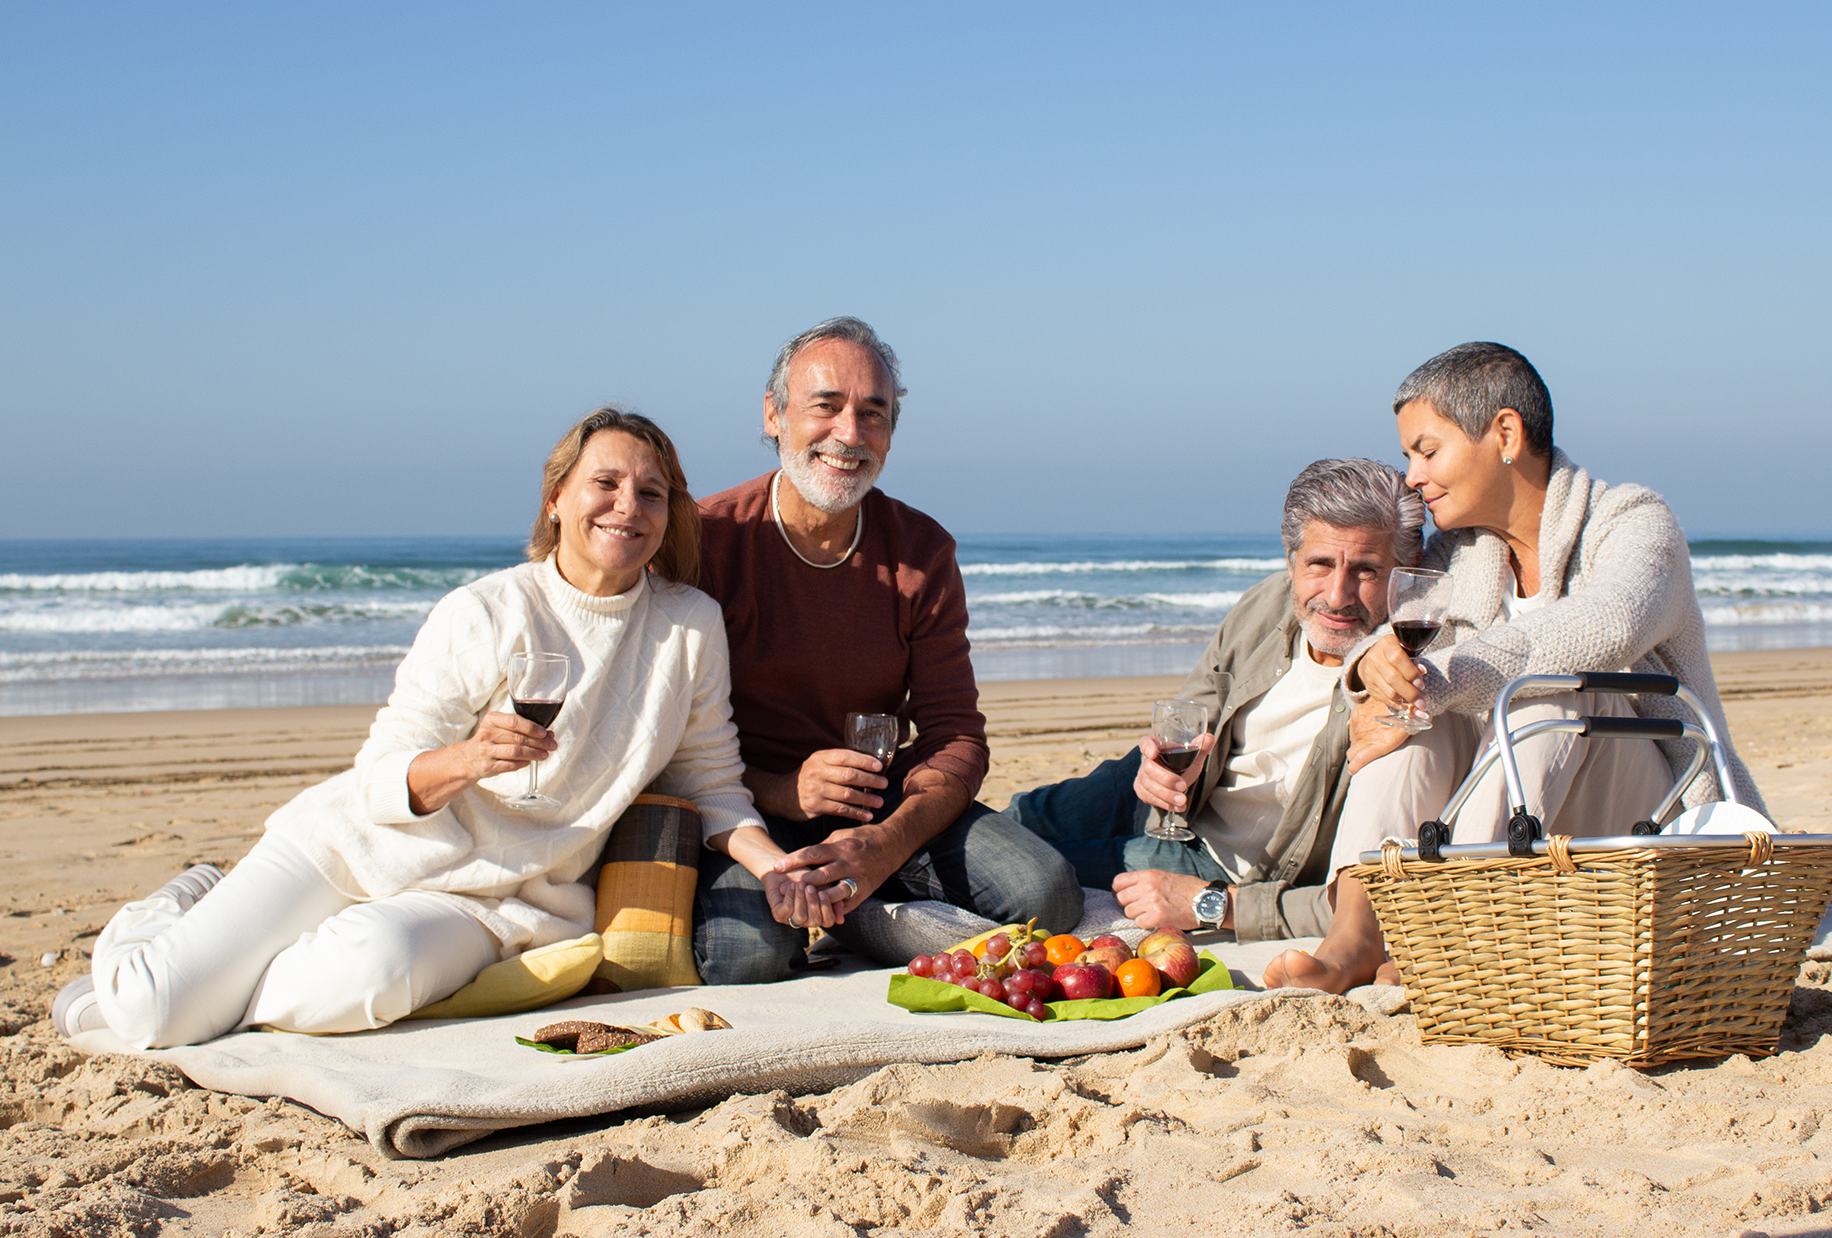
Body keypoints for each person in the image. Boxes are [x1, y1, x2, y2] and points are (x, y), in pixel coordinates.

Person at [58, 409, 830, 1049]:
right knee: (152, 1009)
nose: (628, 505)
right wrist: (465, 760)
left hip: (492, 901)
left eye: (652, 493)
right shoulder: (485, 610)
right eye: (606, 483)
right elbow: (381, 772)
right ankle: (183, 905)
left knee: (367, 975)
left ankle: (210, 988)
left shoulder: (688, 627)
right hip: (356, 846)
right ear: (557, 497)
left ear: (670, 515)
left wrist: (775, 869)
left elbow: (711, 783)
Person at [1265, 342, 1770, 994]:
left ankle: (1454, 938)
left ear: (1504, 434)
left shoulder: (1635, 524)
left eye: (1427, 450)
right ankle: (1356, 937)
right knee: (1414, 707)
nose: (1412, 477)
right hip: (1526, 834)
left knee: (1547, 697)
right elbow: (1390, 638)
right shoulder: (1464, 552)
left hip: (1652, 824)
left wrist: (1441, 680)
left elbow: (1603, 627)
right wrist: (1377, 670)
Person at [692, 316, 1082, 980]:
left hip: (879, 806)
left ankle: (864, 909)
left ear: (892, 432)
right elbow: (666, 743)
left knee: (1046, 890)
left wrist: (884, 841)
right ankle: (862, 909)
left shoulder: (922, 550)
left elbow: (956, 734)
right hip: (742, 809)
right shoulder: (707, 539)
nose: (849, 433)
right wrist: (784, 790)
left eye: (873, 413)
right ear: (774, 414)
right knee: (746, 957)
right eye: (826, 406)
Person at [1004, 459, 1425, 941]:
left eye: (1367, 570)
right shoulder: (1267, 602)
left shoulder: (1403, 683)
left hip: (1216, 863)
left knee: (1027, 873)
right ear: (1291, 561)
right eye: (1320, 564)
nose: (1337, 594)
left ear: (1402, 576)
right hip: (1169, 802)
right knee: (1020, 816)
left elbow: (1363, 905)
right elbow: (1188, 714)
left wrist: (1214, 904)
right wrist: (1155, 771)